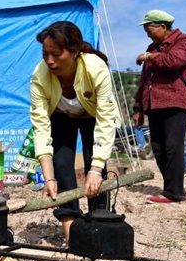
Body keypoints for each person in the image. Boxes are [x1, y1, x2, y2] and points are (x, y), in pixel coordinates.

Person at [31, 21, 120, 241]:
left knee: (94, 163)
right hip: (61, 117)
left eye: (56, 54)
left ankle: (98, 223)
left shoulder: (95, 68)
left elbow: (106, 119)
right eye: (45, 54)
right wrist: (49, 178)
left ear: (74, 52)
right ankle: (72, 236)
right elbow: (40, 127)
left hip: (92, 116)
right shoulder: (40, 76)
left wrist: (97, 169)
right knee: (62, 167)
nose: (50, 61)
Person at [132, 10, 186, 204]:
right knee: (158, 148)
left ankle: (174, 192)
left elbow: (173, 61)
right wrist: (138, 108)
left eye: (149, 29)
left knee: (172, 147)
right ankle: (174, 188)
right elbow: (144, 80)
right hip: (154, 104)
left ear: (163, 27)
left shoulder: (184, 41)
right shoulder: (153, 47)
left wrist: (149, 57)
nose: (147, 34)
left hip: (174, 101)